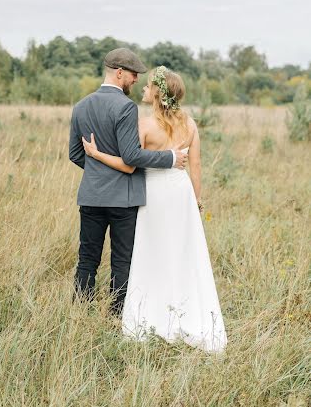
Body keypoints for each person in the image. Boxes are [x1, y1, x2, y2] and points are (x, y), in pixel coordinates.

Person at [82, 66, 227, 352]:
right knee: (182, 252)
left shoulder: (145, 125)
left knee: (152, 251)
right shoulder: (191, 124)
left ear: (158, 93)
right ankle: (185, 312)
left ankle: (154, 315)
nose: (144, 90)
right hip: (181, 193)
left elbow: (130, 163)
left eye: (148, 87)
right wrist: (196, 200)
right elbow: (195, 166)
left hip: (154, 194)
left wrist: (97, 154)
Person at [69, 49, 188, 316]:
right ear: (119, 72)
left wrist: (98, 170)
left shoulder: (80, 106)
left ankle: (80, 315)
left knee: (87, 258)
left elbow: (75, 154)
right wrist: (170, 158)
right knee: (122, 261)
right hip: (123, 199)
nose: (136, 80)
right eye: (133, 75)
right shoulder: (125, 106)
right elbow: (131, 156)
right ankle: (117, 315)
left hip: (90, 197)